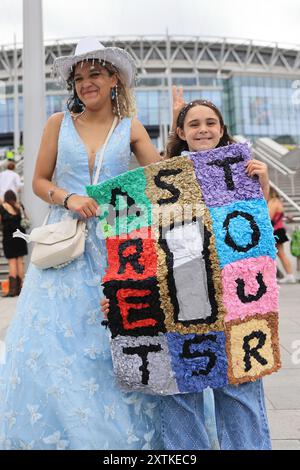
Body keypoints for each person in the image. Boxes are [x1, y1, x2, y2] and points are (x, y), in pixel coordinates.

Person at [0, 37, 164, 450]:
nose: (86, 83)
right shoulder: (58, 123)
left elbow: (165, 178)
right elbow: (38, 180)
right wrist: (68, 197)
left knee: (112, 338)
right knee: (57, 340)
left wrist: (232, 171)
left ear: (114, 80)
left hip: (116, 246)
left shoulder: (131, 128)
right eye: (79, 78)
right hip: (65, 246)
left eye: (95, 74)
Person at [101, 94, 272, 450]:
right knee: (179, 392)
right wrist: (122, 290)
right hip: (175, 295)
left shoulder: (242, 170)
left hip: (231, 295)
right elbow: (134, 235)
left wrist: (263, 184)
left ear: (222, 129)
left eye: (210, 122)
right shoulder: (157, 179)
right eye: (194, 124)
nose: (203, 129)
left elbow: (256, 233)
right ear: (180, 131)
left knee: (239, 389)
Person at [0, 190, 28, 297]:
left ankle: (12, 290)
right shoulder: (20, 206)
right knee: (20, 262)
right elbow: (26, 219)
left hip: (9, 238)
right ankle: (20, 289)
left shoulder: (3, 207)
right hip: (20, 236)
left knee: (12, 263)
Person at [268, 187, 296, 283]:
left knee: (280, 254)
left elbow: (269, 217)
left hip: (276, 231)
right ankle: (289, 275)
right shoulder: (278, 201)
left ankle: (289, 275)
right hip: (279, 230)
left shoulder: (273, 202)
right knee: (279, 254)